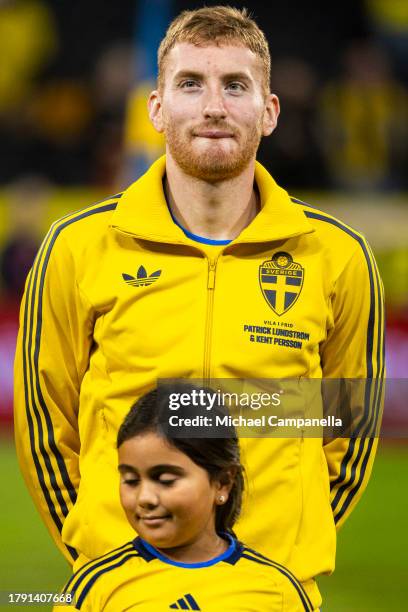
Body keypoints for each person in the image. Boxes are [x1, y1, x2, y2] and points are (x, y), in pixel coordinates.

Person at [14, 7, 384, 609]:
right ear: (156, 108)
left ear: (268, 111)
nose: (213, 106)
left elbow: (346, 426)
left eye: (235, 85)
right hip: (121, 592)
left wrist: (279, 563)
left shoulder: (336, 256)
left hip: (270, 591)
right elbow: (44, 423)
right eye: (191, 83)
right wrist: (107, 561)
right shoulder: (79, 246)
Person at [54, 384, 312, 611]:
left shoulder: (278, 590)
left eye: (166, 480)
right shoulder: (94, 588)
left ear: (223, 482)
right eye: (131, 480)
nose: (145, 497)